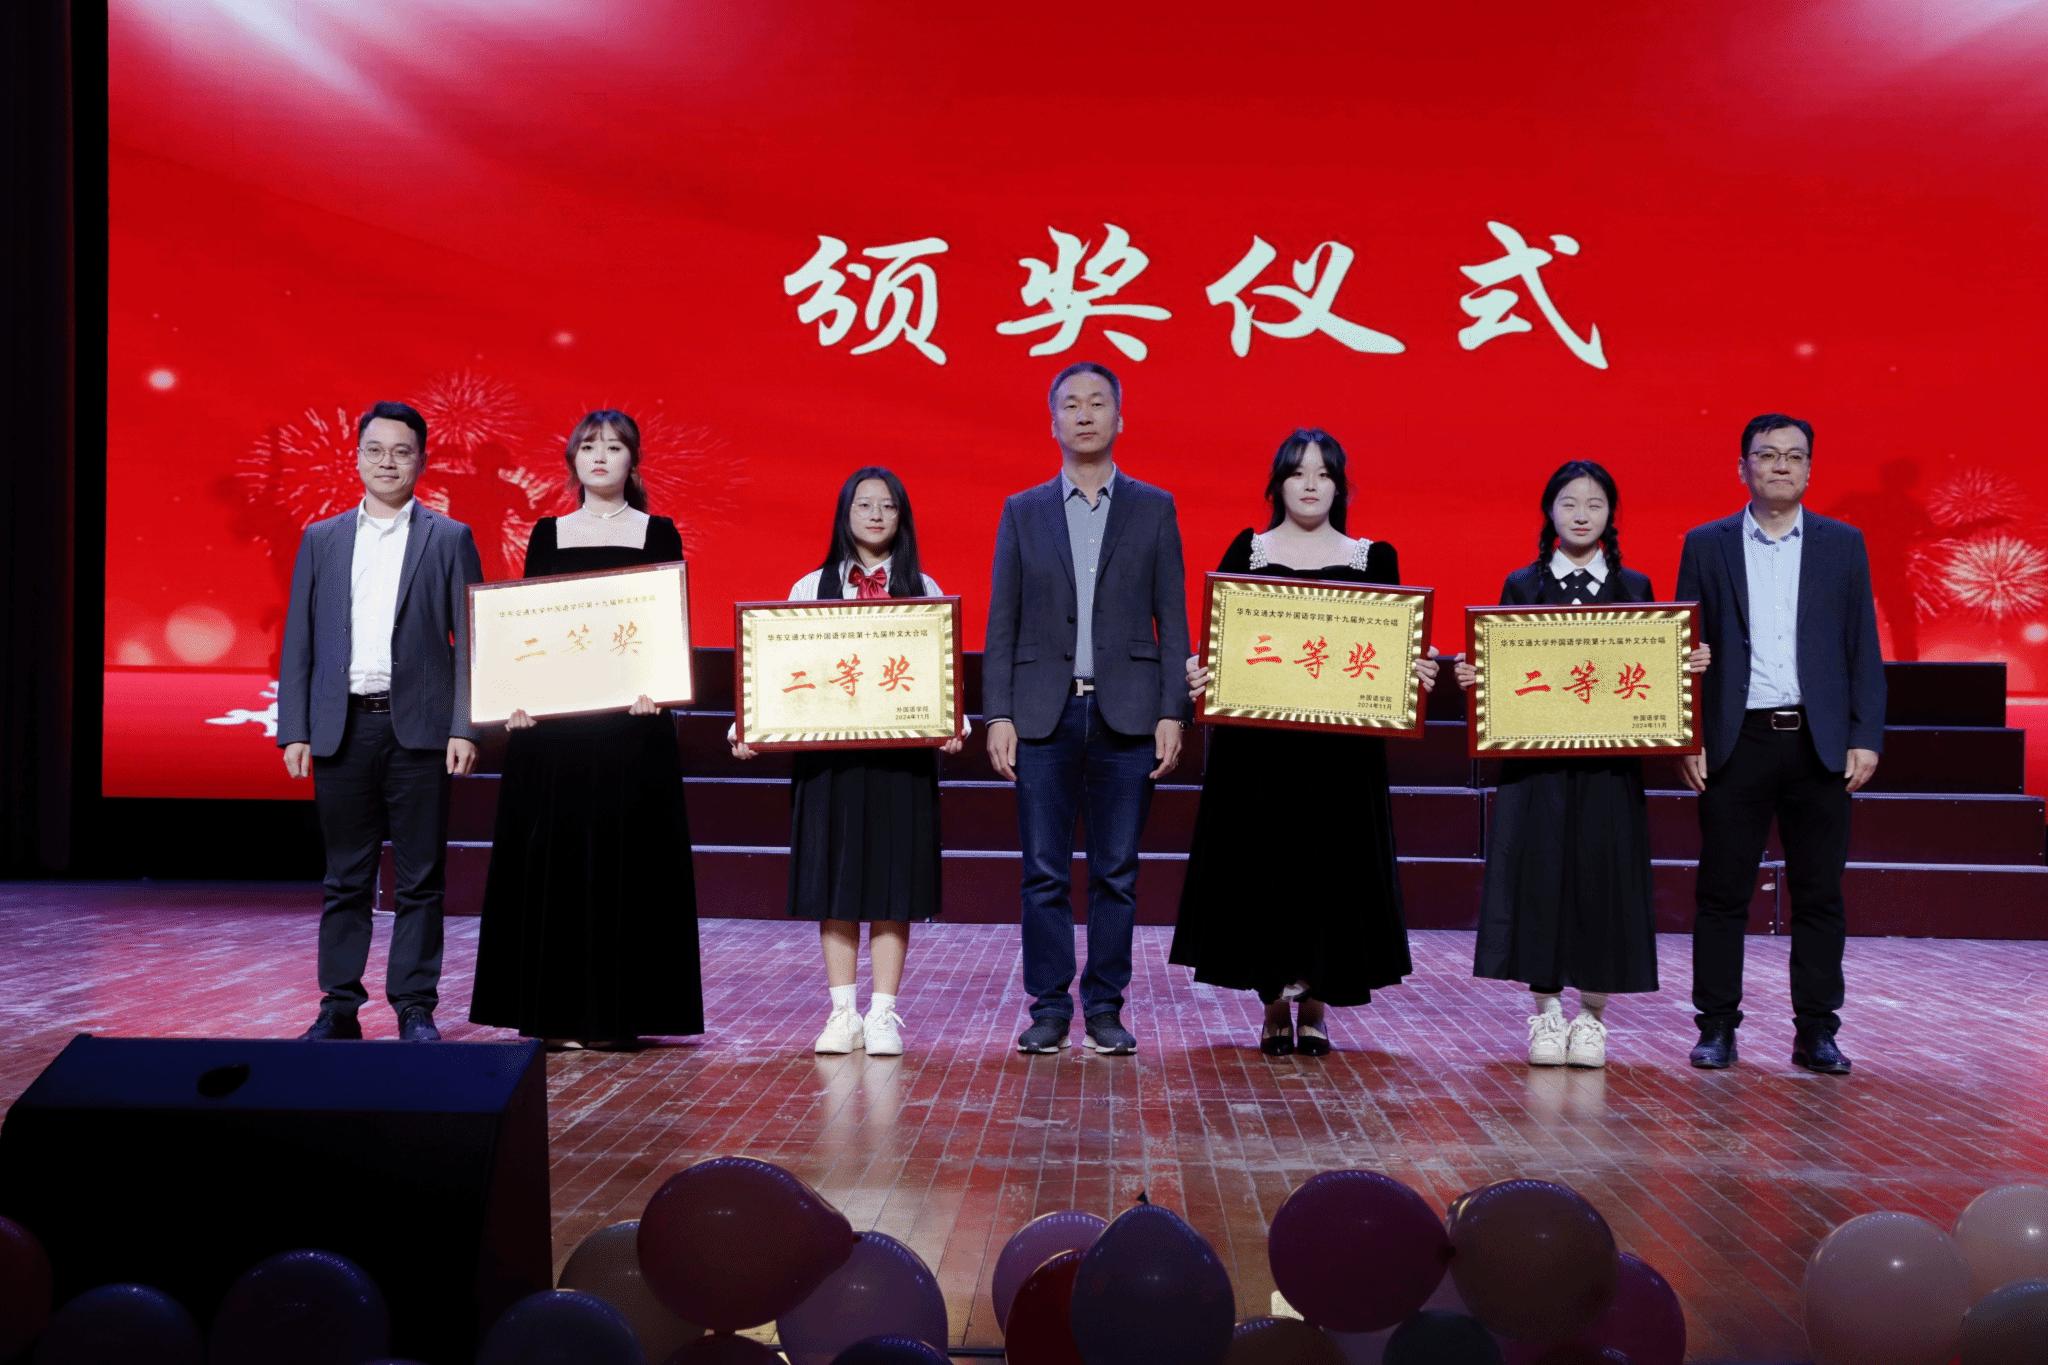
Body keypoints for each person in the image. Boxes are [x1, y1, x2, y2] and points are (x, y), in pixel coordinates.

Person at [1171, 429, 1437, 1056]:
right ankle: (1272, 1005)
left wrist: (1414, 671)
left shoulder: (1374, 559)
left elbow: (1391, 651)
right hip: (1259, 751)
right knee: (1265, 863)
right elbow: (1224, 641)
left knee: (1331, 867)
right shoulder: (1248, 551)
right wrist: (1202, 670)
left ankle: (1316, 1004)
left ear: (1340, 487)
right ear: (1278, 486)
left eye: (1323, 474)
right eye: (1297, 473)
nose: (1311, 485)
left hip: (1341, 754)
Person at [1454, 461, 1710, 1068]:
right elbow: (1505, 673)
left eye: (1595, 505)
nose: (1581, 515)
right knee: (1539, 877)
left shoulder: (1636, 588)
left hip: (1609, 769)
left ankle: (1592, 1018)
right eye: (1569, 503)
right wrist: (1477, 677)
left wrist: (1684, 667)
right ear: (1550, 511)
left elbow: (1649, 677)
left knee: (1604, 877)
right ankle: (1545, 1012)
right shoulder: (1522, 585)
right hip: (1536, 766)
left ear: (1610, 515)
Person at [468, 411, 703, 1051]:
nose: (601, 456)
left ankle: (616, 1014)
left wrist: (661, 685)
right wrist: (514, 699)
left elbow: (665, 629)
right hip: (556, 734)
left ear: (633, 460)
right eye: (589, 447)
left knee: (627, 863)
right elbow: (528, 629)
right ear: (573, 460)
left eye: (615, 446)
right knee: (557, 863)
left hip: (632, 729)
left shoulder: (658, 532)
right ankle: (554, 1014)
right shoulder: (548, 533)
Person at [985, 361, 1192, 1057]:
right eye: (1070, 404)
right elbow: (1002, 622)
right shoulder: (1023, 510)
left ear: (1119, 419)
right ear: (1053, 422)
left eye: (1097, 402)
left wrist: (1173, 711)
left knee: (1116, 872)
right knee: (1043, 871)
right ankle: (1048, 1008)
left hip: (1127, 714)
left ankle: (1104, 1007)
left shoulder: (1154, 507)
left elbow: (1173, 619)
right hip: (1042, 715)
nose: (1084, 414)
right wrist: (999, 714)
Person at [730, 468, 966, 1057]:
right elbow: (778, 671)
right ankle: (842, 1013)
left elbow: (940, 672)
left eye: (888, 506)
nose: (876, 515)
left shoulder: (923, 586)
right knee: (833, 884)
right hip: (828, 761)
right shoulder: (809, 588)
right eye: (864, 505)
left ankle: (883, 1014)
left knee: (893, 886)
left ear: (902, 517)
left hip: (900, 762)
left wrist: (953, 723)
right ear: (845, 514)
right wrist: (748, 725)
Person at [1677, 414, 1884, 1075]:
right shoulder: (1705, 544)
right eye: (1767, 455)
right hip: (1735, 741)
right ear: (1743, 467)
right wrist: (1688, 735)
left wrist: (1865, 736)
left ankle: (1817, 1032)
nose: (1781, 466)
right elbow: (1682, 649)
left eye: (1795, 456)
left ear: (1810, 469)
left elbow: (1862, 645)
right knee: (1722, 893)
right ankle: (1717, 1027)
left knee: (1819, 895)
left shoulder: (1841, 544)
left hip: (1818, 743)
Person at [278, 401, 482, 1042]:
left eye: (401, 451)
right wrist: (295, 728)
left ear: (421, 460)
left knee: (421, 880)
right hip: (342, 729)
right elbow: (299, 640)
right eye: (375, 449)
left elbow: (472, 640)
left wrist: (465, 726)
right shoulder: (323, 538)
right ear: (358, 457)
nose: (387, 462)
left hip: (420, 731)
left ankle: (415, 1007)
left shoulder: (448, 537)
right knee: (345, 877)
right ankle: (339, 1006)